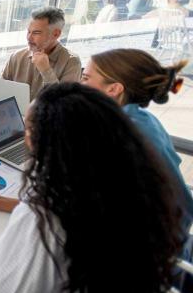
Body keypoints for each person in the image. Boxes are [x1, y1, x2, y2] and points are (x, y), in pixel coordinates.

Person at [0, 82, 183, 293]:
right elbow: (76, 214)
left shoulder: (46, 214)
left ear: (51, 143)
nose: (21, 136)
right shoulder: (125, 184)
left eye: (27, 129)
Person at [81, 48, 193, 232]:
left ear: (114, 89)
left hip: (150, 246)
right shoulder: (142, 118)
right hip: (173, 230)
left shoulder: (118, 134)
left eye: (86, 78)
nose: (79, 83)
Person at [0, 7, 81, 102]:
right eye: (28, 31)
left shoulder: (71, 62)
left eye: (36, 32)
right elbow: (1, 88)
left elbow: (64, 105)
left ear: (55, 34)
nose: (29, 37)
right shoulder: (17, 56)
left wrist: (46, 70)